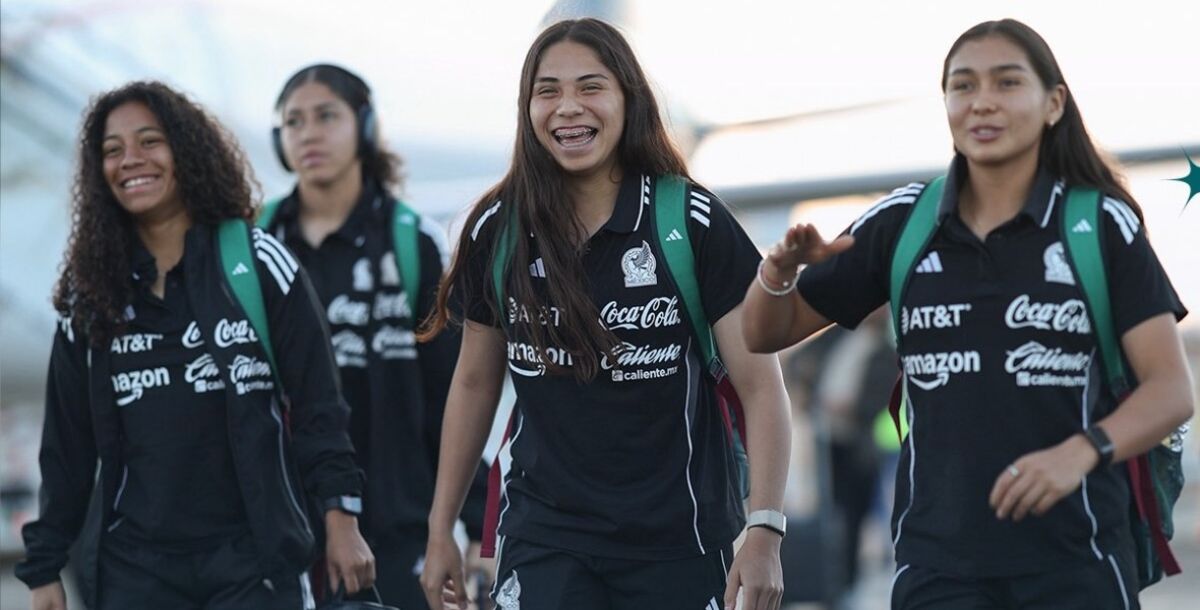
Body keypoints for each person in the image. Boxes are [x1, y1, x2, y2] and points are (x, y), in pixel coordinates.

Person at [742, 18, 1194, 610]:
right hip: (938, 570)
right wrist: (776, 274)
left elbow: (1170, 391)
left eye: (1007, 83)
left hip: (1075, 564)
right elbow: (763, 332)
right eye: (963, 86)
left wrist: (1080, 452)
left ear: (1053, 102)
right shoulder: (904, 222)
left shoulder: (1098, 224)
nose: (983, 102)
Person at [418, 18, 791, 610]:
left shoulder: (689, 223)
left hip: (680, 541)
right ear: (527, 109)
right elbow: (472, 382)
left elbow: (762, 387)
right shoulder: (499, 229)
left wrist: (765, 529)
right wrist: (442, 528)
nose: (568, 107)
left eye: (591, 87)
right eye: (548, 91)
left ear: (627, 99)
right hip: (545, 535)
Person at [14, 81, 374, 610]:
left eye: (149, 141)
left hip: (255, 565)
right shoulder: (88, 295)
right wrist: (44, 567)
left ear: (187, 149)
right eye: (112, 150)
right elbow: (66, 447)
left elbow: (320, 407)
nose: (130, 160)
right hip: (133, 572)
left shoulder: (256, 263)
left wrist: (341, 519)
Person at [263, 63, 484, 609]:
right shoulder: (256, 244)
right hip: (281, 529)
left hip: (396, 524)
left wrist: (481, 520)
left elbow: (454, 396)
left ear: (364, 125)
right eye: (293, 122)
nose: (308, 133)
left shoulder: (414, 245)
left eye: (325, 116)